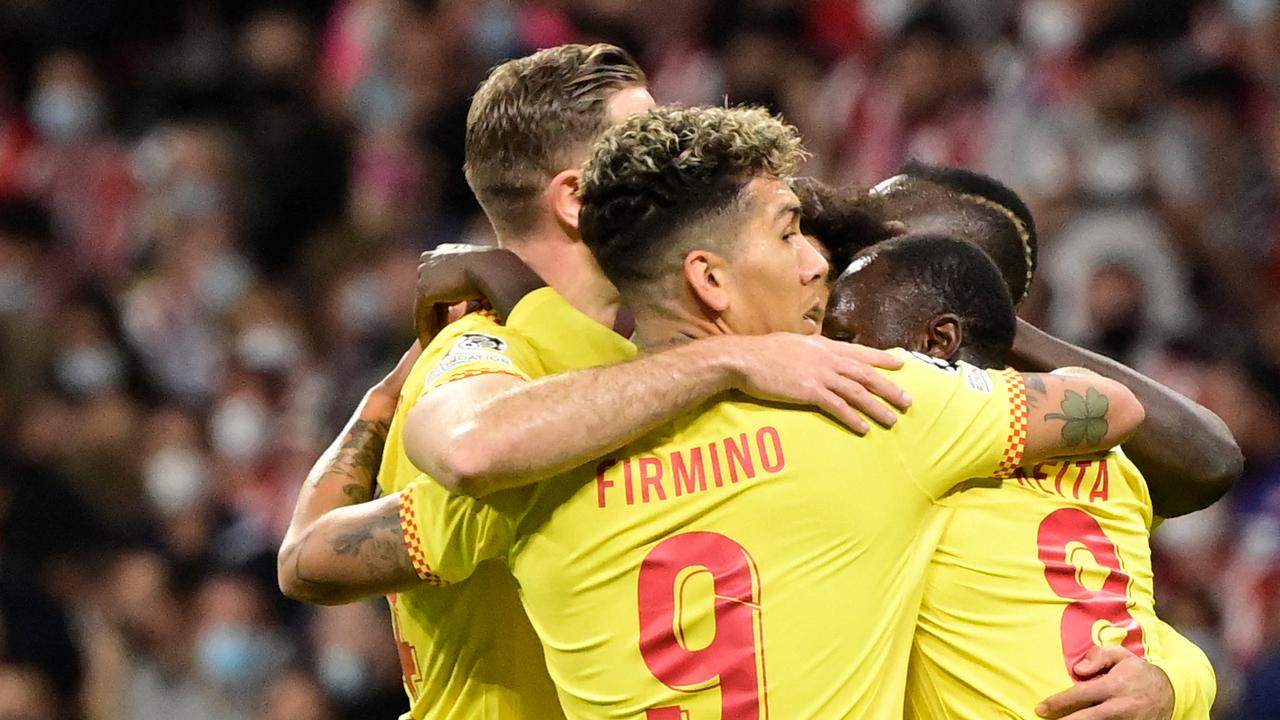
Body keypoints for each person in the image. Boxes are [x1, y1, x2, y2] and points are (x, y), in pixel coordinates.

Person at [279, 105, 1145, 717]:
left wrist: (384, 400)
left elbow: (313, 559)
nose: (817, 263)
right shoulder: (876, 408)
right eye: (789, 232)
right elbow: (1106, 406)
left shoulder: (534, 450)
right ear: (708, 278)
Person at [279, 44, 910, 719]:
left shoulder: (615, 359)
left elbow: (310, 556)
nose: (673, 163)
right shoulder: (496, 363)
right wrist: (729, 361)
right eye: (637, 145)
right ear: (576, 199)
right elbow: (463, 453)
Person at [826, 233, 1217, 719]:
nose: (828, 354)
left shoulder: (902, 445)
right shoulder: (1113, 457)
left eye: (843, 338)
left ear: (938, 341)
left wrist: (1171, 684)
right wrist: (1181, 682)